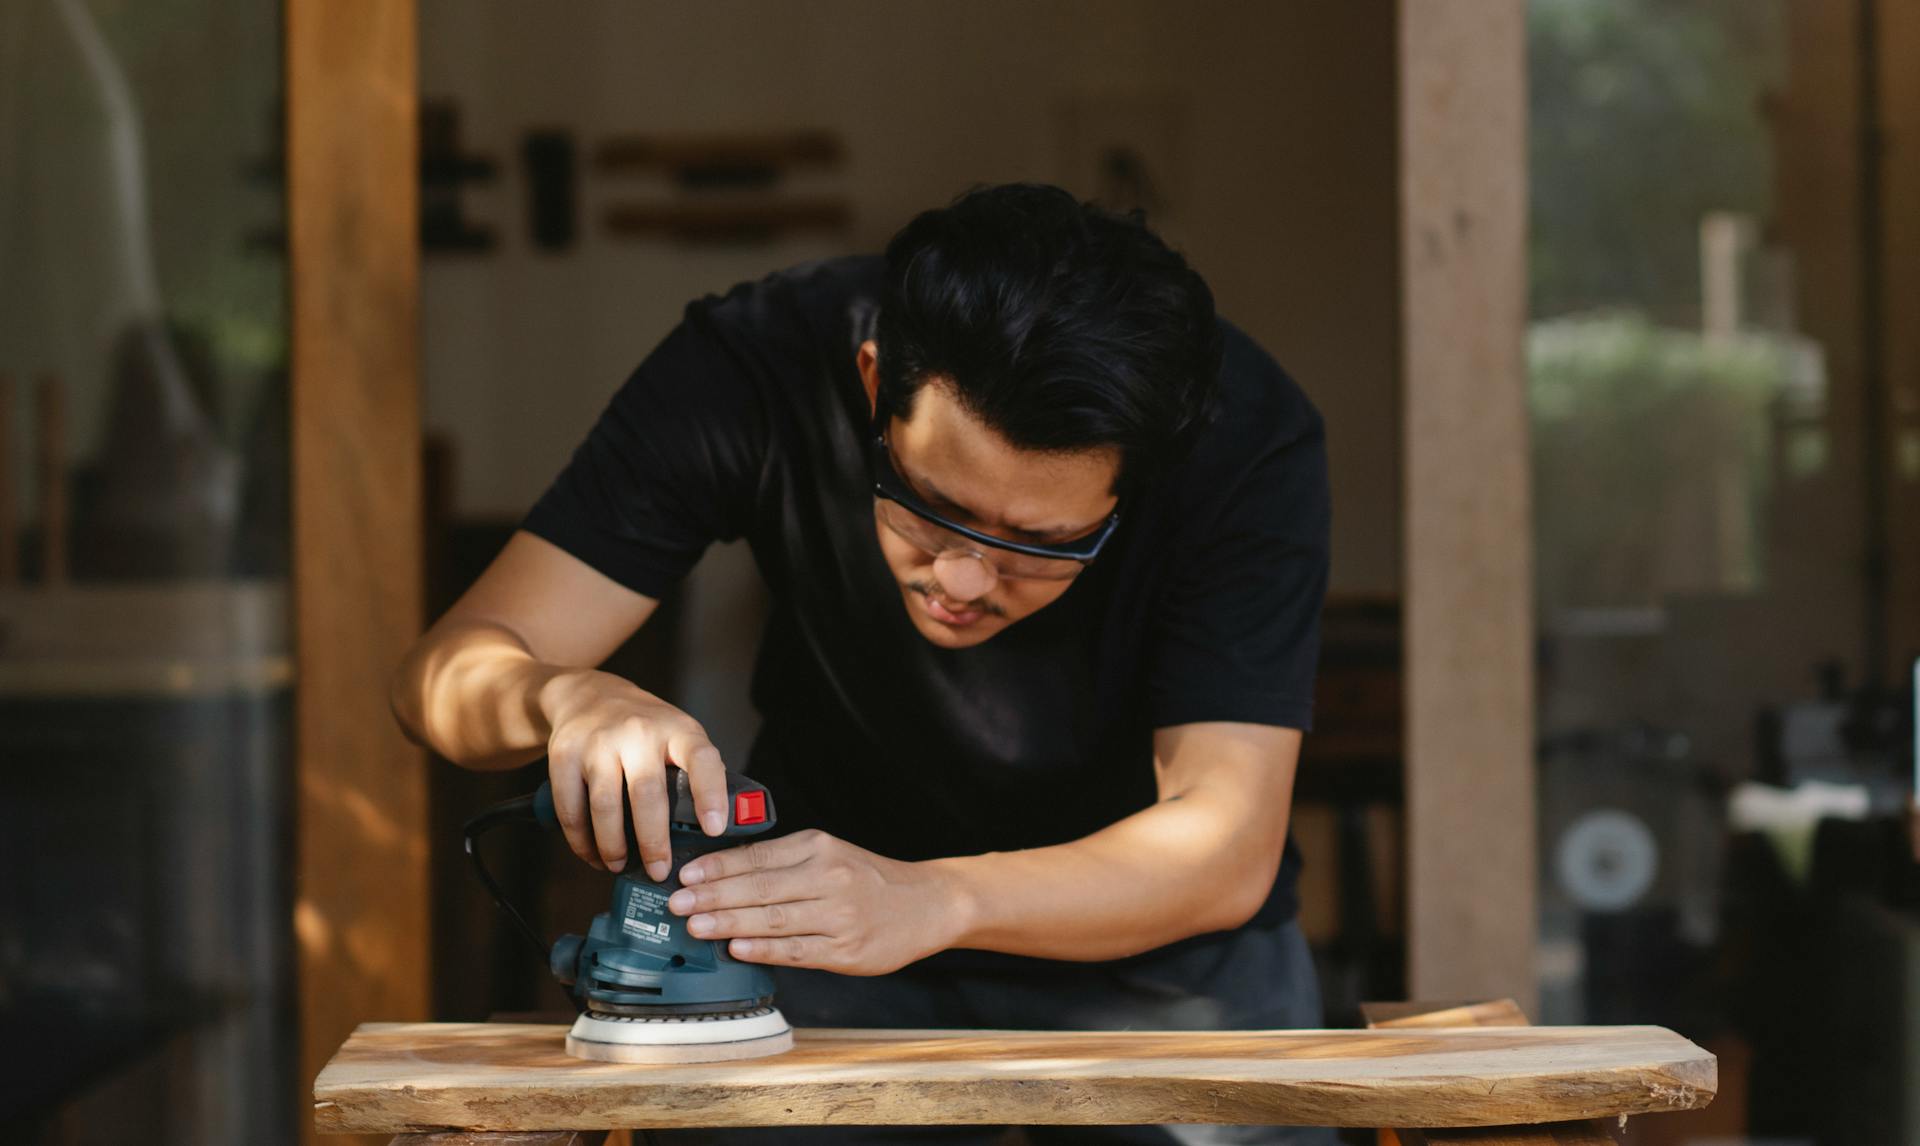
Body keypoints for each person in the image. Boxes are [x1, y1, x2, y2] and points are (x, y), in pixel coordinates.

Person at [392, 182, 1332, 1144]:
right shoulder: (760, 365)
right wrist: (562, 694)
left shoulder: (1242, 438)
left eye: (1037, 542)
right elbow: (441, 678)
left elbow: (1223, 845)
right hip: (819, 922)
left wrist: (937, 897)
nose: (964, 578)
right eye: (931, 504)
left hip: (1151, 934)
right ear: (876, 383)